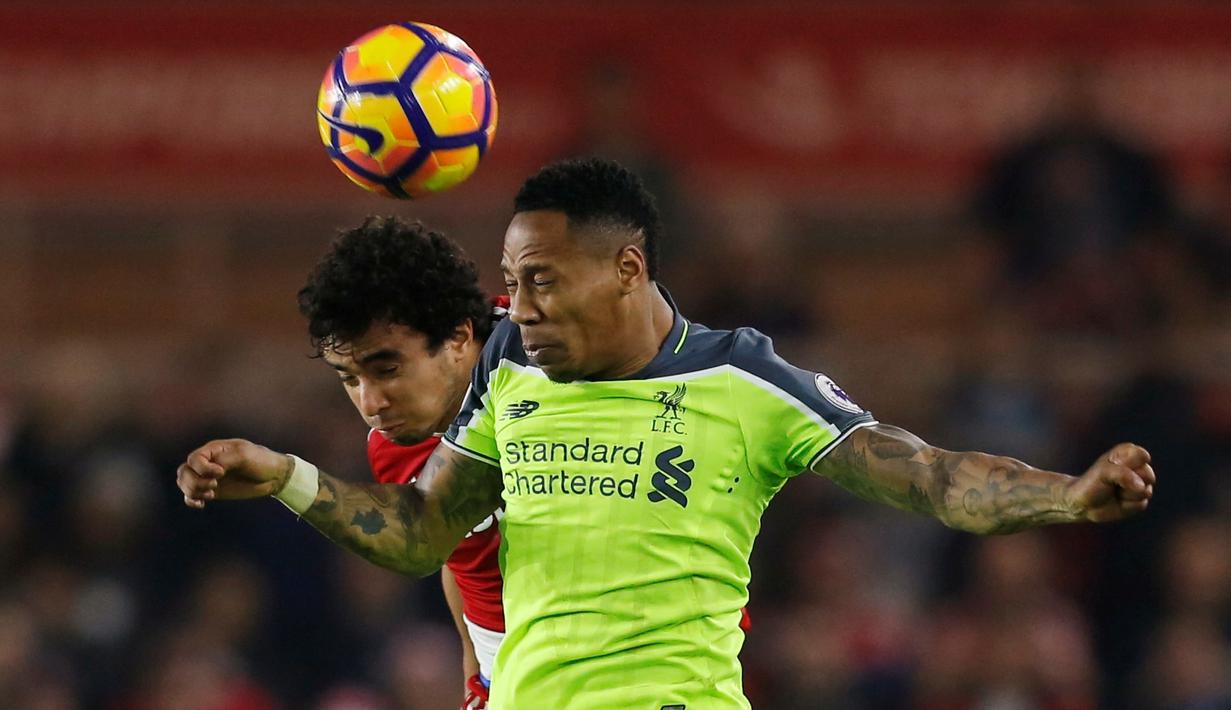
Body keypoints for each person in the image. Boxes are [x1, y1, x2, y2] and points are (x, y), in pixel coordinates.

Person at [178, 158, 1156, 709]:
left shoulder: (742, 380)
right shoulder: (512, 372)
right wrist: (288, 476)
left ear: (628, 270)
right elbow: (420, 532)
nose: (519, 308)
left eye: (541, 283)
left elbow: (931, 477)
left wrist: (1067, 496)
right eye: (511, 285)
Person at [297, 216, 507, 708]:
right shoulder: (393, 445)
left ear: (458, 337)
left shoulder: (559, 364)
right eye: (349, 378)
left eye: (387, 369)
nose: (371, 404)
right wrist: (477, 672)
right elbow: (459, 553)